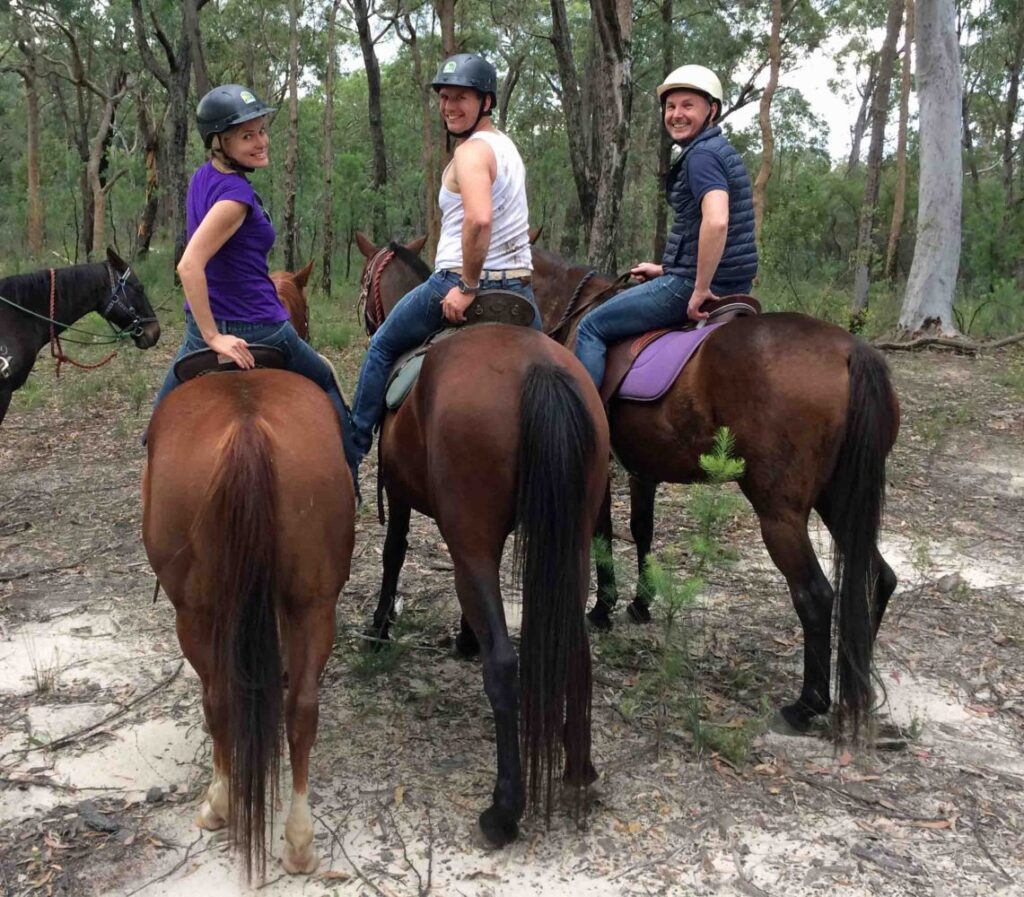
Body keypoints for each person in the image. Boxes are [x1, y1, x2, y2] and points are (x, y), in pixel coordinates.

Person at [151, 84, 358, 471]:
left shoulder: (201, 178)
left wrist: (205, 332)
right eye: (247, 136)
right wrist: (215, 338)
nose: (261, 141)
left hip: (197, 328)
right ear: (219, 141)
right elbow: (189, 265)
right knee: (327, 379)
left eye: (262, 130)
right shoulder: (236, 198)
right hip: (261, 327)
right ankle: (351, 468)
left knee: (158, 422)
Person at [348, 53, 540, 471]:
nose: (451, 106)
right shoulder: (508, 148)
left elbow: (480, 218)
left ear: (486, 102)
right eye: (445, 97)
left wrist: (468, 286)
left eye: (462, 98)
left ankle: (352, 450)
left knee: (381, 347)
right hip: (520, 290)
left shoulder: (472, 152)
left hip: (458, 282)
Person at [574, 65, 758, 389]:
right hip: (735, 282)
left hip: (695, 285)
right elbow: (700, 227)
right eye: (671, 107)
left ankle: (581, 428)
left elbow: (716, 221)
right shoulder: (719, 150)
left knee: (590, 326)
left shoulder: (702, 156)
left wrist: (699, 288)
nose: (676, 114)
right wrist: (664, 268)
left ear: (711, 110)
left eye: (688, 105)